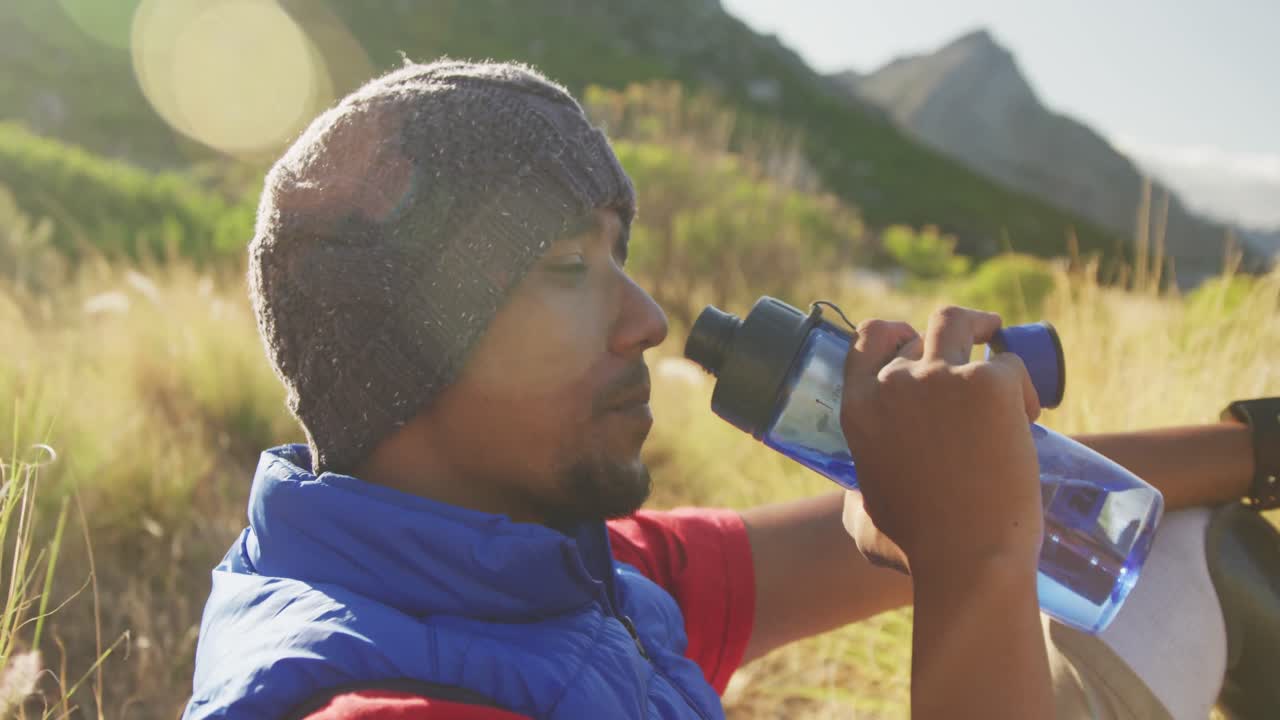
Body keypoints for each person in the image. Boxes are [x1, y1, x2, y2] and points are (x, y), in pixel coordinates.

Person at [183, 59, 1279, 719]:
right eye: (568, 268)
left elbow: (903, 520)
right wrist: (971, 566)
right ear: (412, 339)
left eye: (619, 258)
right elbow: (969, 539)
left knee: (1182, 543)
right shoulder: (388, 705)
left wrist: (1259, 445)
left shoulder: (565, 573)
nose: (646, 319)